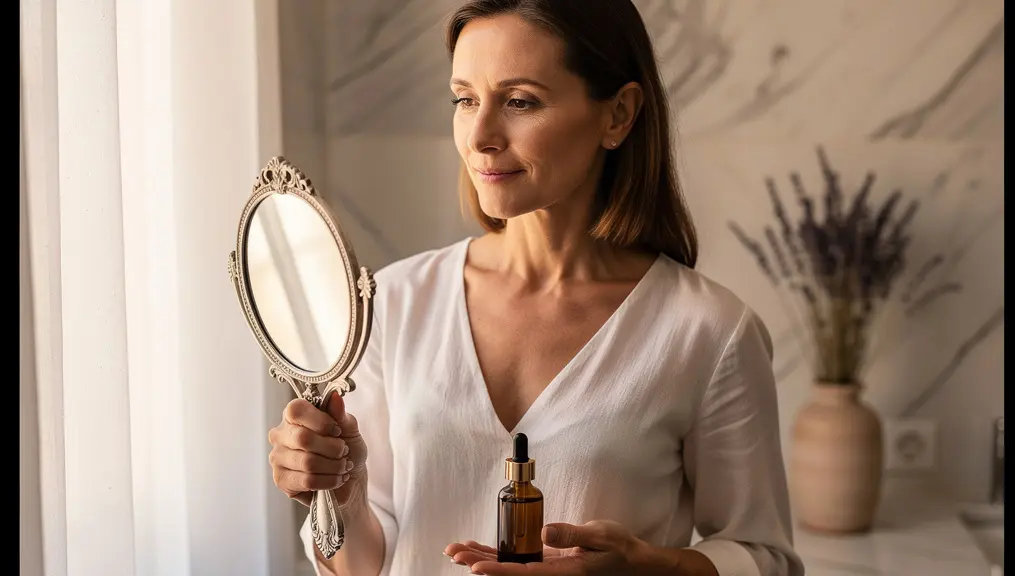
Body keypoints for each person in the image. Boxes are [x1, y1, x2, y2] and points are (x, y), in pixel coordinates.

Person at [267, 1, 804, 574]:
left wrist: (649, 569)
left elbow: (764, 557)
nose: (480, 137)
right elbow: (362, 565)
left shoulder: (708, 331)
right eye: (465, 99)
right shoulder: (391, 302)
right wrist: (337, 494)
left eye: (520, 101)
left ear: (618, 114)